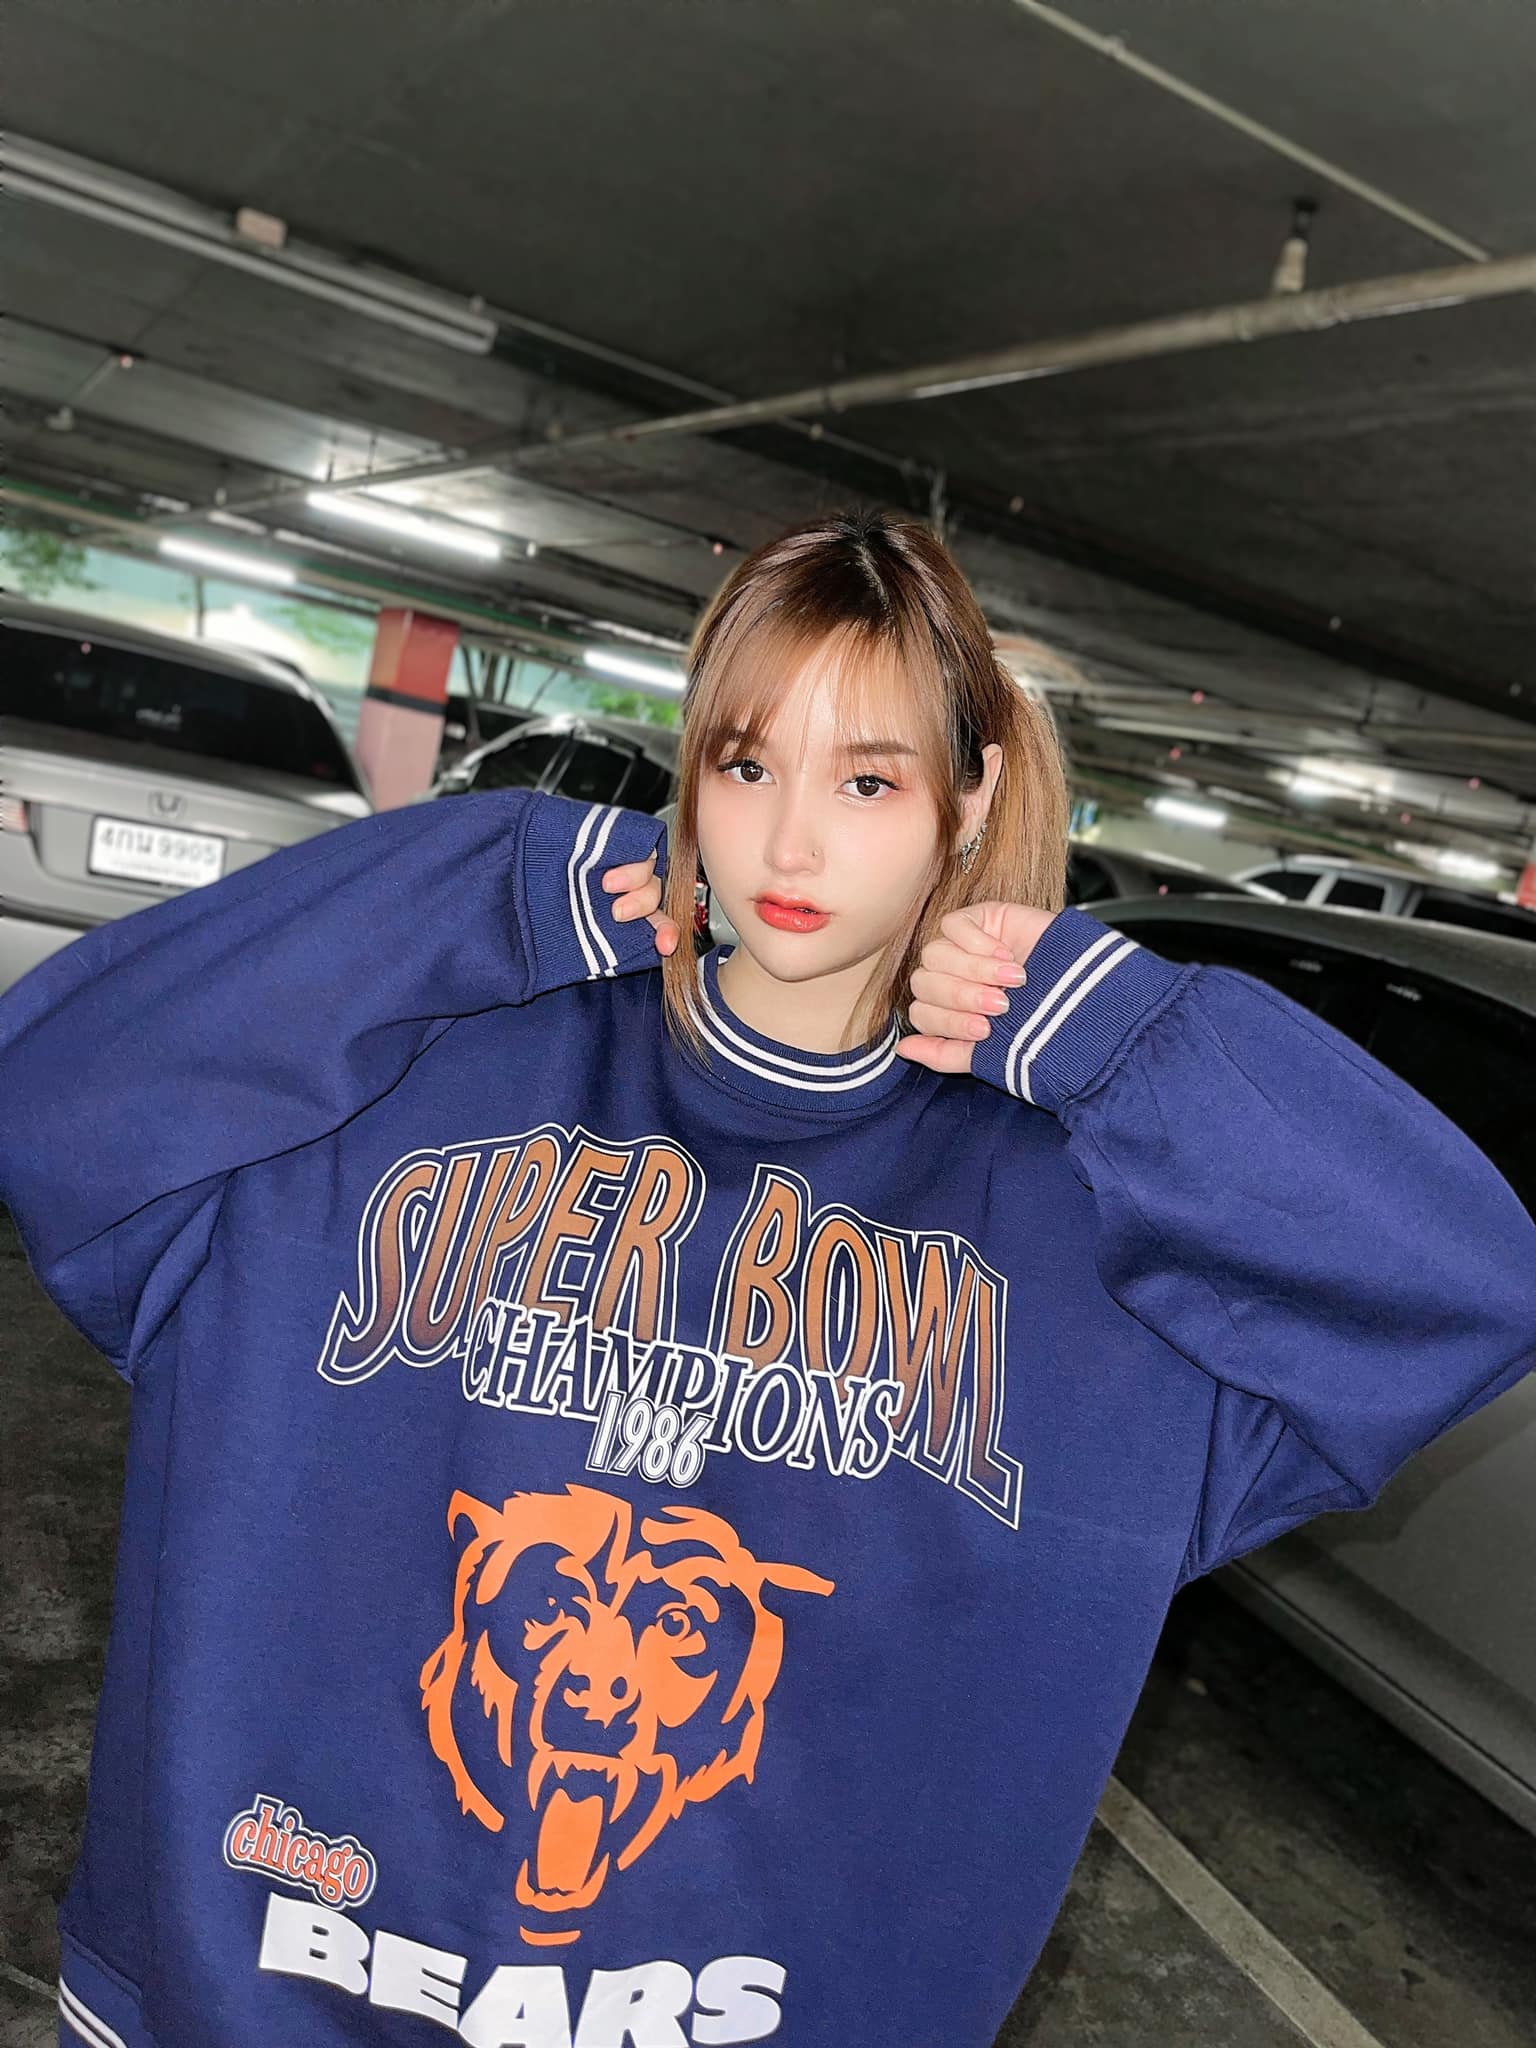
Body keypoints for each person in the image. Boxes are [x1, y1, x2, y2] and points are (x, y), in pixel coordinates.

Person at [2, 508, 1532, 2048]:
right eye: (745, 765)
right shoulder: (419, 1080)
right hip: (255, 1993)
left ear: (968, 799)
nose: (791, 845)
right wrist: (493, 887)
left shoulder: (1072, 1229)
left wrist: (1132, 1046)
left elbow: (1472, 1289)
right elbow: (59, 1079)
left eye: (867, 781)